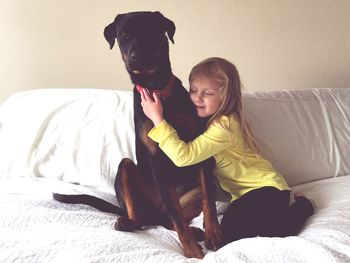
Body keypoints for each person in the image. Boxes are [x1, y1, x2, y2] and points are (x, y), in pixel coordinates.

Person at [140, 57, 314, 245]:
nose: (197, 98)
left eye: (208, 93)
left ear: (226, 96)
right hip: (242, 196)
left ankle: (303, 205)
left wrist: (157, 119)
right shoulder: (206, 123)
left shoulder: (225, 126)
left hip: (267, 187)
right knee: (225, 237)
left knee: (273, 232)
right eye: (193, 90)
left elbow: (184, 156)